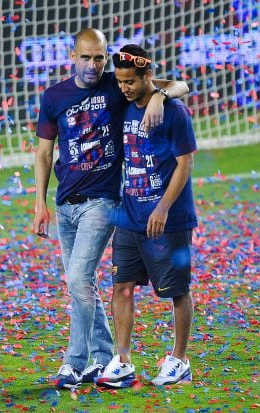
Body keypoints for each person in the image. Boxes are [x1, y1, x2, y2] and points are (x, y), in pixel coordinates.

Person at [33, 29, 189, 389]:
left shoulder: (117, 85)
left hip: (102, 202)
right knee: (82, 284)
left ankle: (74, 363)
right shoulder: (54, 96)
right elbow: (43, 152)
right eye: (86, 57)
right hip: (65, 204)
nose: (93, 64)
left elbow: (180, 85)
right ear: (73, 56)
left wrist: (158, 98)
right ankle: (106, 358)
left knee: (77, 280)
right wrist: (40, 203)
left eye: (99, 57)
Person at [96, 44, 197, 388]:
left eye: (130, 82)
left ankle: (180, 360)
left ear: (147, 76)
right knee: (121, 286)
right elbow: (171, 83)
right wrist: (154, 94)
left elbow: (186, 163)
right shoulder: (124, 105)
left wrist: (164, 207)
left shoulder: (176, 113)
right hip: (130, 215)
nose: (124, 87)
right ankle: (122, 361)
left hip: (168, 218)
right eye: (121, 81)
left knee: (176, 291)